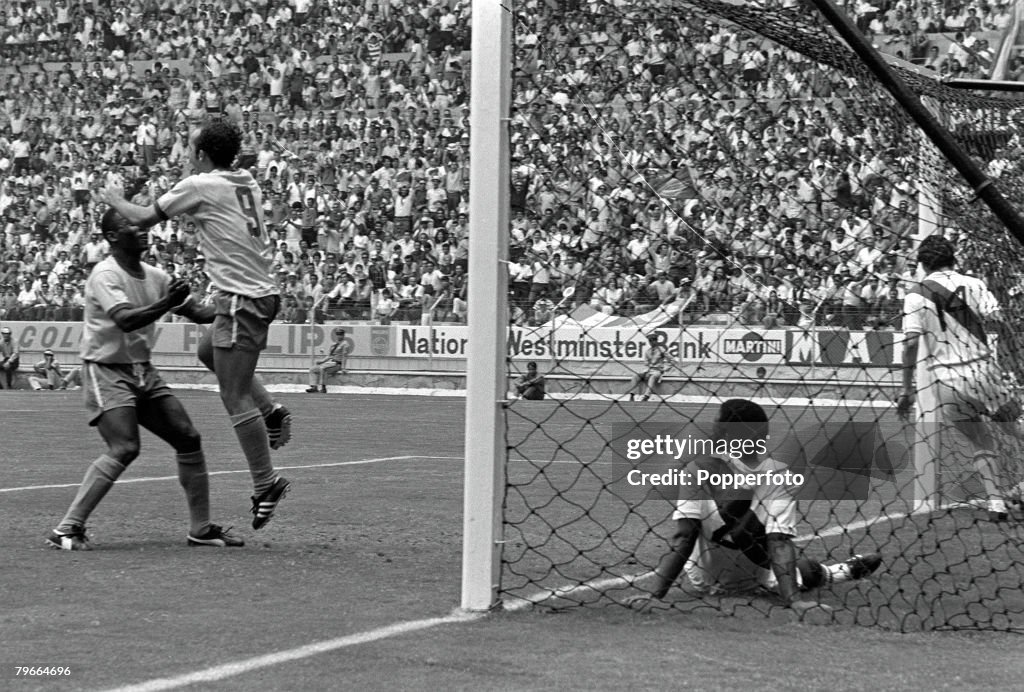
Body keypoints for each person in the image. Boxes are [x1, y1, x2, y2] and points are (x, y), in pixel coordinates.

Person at [98, 120, 291, 530]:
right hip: (255, 294)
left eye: (191, 149)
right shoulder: (245, 181)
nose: (188, 156)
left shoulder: (200, 184)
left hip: (243, 300)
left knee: (234, 396)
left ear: (202, 154)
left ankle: (266, 482)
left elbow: (145, 217)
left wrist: (115, 199)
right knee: (208, 352)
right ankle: (271, 412)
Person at [48, 209, 243, 551]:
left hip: (142, 369)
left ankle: (200, 529)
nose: (140, 228)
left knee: (188, 437)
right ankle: (67, 528)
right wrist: (168, 302)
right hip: (106, 369)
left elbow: (197, 313)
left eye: (141, 224)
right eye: (129, 225)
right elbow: (124, 320)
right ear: (111, 237)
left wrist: (236, 303)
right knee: (125, 447)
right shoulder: (104, 275)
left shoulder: (155, 276)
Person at [628, 399, 882, 617]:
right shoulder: (701, 469)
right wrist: (655, 595)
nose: (713, 431)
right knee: (800, 566)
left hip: (753, 573)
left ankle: (839, 571)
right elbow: (687, 534)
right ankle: (834, 571)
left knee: (808, 569)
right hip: (704, 574)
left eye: (718, 426)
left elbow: (779, 541)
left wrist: (794, 601)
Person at [898, 235, 1023, 522]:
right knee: (1015, 428)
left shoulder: (915, 294)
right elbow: (998, 321)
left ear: (922, 263)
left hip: (947, 382)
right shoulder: (975, 284)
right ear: (953, 258)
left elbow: (910, 344)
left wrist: (907, 390)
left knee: (980, 442)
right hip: (983, 373)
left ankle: (996, 505)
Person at [628, 333, 670, 401]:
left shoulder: (661, 350)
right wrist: (646, 370)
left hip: (657, 371)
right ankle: (632, 394)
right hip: (649, 370)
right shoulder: (648, 351)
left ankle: (646, 396)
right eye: (650, 341)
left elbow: (671, 360)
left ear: (656, 341)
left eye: (653, 340)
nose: (652, 342)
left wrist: (665, 369)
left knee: (652, 377)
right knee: (635, 376)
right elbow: (646, 363)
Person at [307, 327, 349, 393]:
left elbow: (344, 357)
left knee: (323, 369)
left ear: (343, 335)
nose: (339, 336)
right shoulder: (334, 344)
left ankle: (323, 387)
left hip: (337, 364)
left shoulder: (345, 344)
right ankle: (314, 386)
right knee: (313, 369)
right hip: (330, 363)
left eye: (340, 334)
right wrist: (322, 361)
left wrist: (343, 368)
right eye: (338, 334)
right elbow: (329, 356)